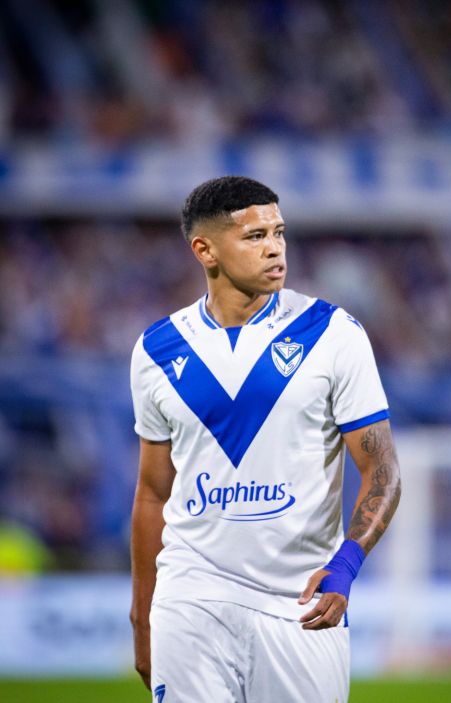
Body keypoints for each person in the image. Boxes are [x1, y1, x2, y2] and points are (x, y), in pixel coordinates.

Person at [129, 176, 401, 703]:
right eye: (255, 236)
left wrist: (346, 565)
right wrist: (143, 614)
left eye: (279, 232)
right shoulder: (156, 350)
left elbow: (383, 470)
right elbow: (153, 493)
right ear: (204, 250)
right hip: (191, 597)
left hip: (299, 604)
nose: (275, 247)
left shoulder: (332, 333)